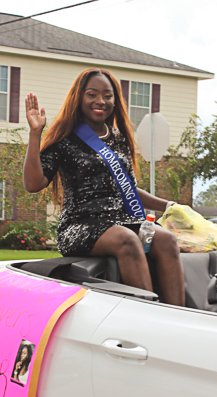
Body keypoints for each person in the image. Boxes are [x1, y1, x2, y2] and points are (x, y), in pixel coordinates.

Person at [22, 67, 185, 306]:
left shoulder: (119, 138)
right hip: (81, 224)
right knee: (127, 240)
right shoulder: (65, 138)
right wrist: (35, 134)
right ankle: (149, 315)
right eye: (92, 94)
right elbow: (33, 184)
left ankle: (179, 315)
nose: (100, 101)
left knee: (167, 239)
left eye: (107, 96)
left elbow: (128, 189)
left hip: (122, 220)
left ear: (115, 101)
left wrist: (170, 205)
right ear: (79, 97)